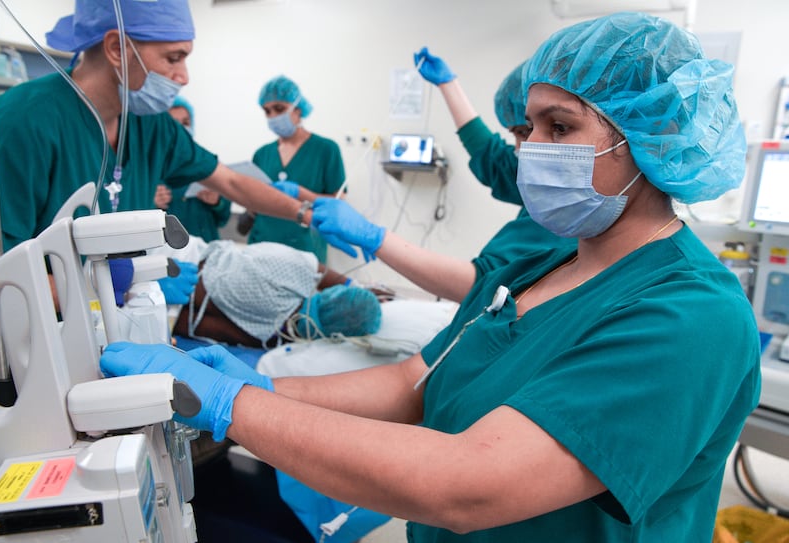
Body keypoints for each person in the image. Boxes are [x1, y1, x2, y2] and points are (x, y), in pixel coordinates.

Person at [100, 12, 761, 542]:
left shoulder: (689, 315)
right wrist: (267, 383)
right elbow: (414, 380)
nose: (529, 150)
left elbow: (465, 483)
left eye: (560, 126)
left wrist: (230, 405)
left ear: (656, 136)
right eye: (528, 128)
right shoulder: (547, 258)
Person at [0, 0, 315, 258]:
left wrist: (306, 213)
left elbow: (230, 181)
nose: (184, 77)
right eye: (173, 58)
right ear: (117, 48)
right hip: (40, 331)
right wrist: (107, 286)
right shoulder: (24, 120)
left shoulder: (151, 123)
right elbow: (3, 272)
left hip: (118, 318)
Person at [310, 55, 573, 303]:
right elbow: (493, 159)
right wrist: (449, 85)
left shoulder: (567, 211)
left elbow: (486, 284)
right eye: (521, 131)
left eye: (557, 128)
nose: (523, 149)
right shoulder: (552, 180)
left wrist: (374, 238)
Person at [166, 239, 382, 348]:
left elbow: (323, 273)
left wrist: (353, 284)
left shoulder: (297, 270)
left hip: (173, 286)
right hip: (175, 266)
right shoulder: (272, 338)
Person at [238, 75, 345, 263]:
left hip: (304, 247)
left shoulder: (326, 149)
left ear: (298, 109)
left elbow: (338, 203)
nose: (273, 116)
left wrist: (299, 192)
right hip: (262, 246)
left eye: (279, 109)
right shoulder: (262, 154)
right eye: (267, 111)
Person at [153, 96, 232, 242]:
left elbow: (224, 218)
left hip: (207, 253)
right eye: (174, 124)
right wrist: (152, 205)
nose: (182, 129)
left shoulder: (205, 163)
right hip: (170, 254)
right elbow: (134, 221)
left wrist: (217, 202)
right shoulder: (150, 168)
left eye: (186, 123)